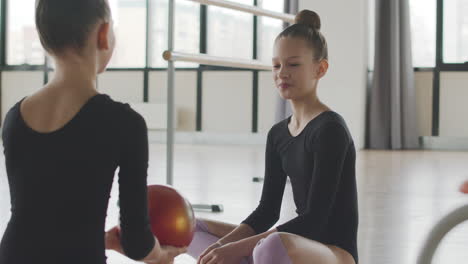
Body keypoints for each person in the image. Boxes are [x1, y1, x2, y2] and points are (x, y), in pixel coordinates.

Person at [0, 0, 185, 263]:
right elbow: (137, 241)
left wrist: (99, 238)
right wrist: (159, 255)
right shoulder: (124, 123)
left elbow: (41, 217)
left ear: (44, 39)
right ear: (103, 34)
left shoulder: (14, 118)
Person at [186, 9, 358, 264]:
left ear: (320, 69)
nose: (282, 73)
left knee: (270, 246)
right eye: (277, 65)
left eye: (294, 64)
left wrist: (236, 249)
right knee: (192, 229)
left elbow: (315, 220)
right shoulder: (278, 134)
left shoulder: (330, 130)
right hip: (290, 248)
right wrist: (219, 248)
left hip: (333, 253)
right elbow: (266, 212)